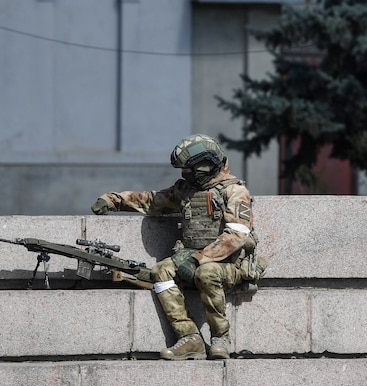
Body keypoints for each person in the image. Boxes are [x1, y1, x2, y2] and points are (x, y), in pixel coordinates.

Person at [90, 134, 263, 360]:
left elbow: (236, 235)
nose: (184, 174)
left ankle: (220, 337)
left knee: (207, 272)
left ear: (206, 165)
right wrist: (114, 200)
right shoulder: (186, 190)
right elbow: (152, 201)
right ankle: (190, 337)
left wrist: (199, 259)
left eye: (189, 170)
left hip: (229, 265)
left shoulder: (235, 192)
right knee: (160, 271)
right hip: (191, 257)